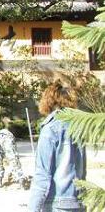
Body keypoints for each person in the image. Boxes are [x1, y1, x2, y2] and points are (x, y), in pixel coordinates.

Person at [29, 81, 86, 212]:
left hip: (58, 202)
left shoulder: (50, 129)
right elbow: (83, 170)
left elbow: (42, 176)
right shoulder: (80, 127)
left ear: (47, 101)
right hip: (78, 201)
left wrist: (33, 208)